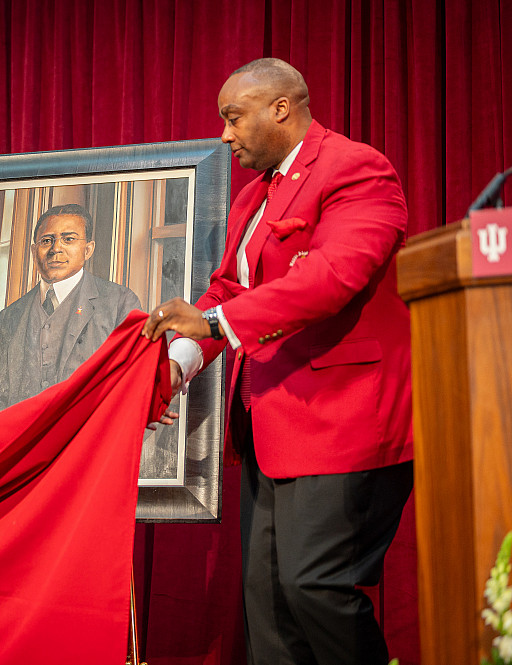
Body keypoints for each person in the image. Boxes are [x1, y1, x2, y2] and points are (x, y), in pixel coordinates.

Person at [143, 59, 413, 664]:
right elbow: (224, 293)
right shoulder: (251, 198)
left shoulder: (355, 168)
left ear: (281, 109)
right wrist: (174, 367)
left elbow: (332, 277)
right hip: (271, 426)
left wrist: (212, 322)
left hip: (342, 423)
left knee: (314, 587)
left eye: (233, 118)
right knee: (267, 604)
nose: (224, 135)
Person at [0, 203, 141, 431]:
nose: (56, 249)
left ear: (88, 249)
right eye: (47, 240)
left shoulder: (119, 303)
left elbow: (133, 393)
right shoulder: (11, 316)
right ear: (35, 251)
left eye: (69, 239)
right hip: (22, 449)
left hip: (87, 448)